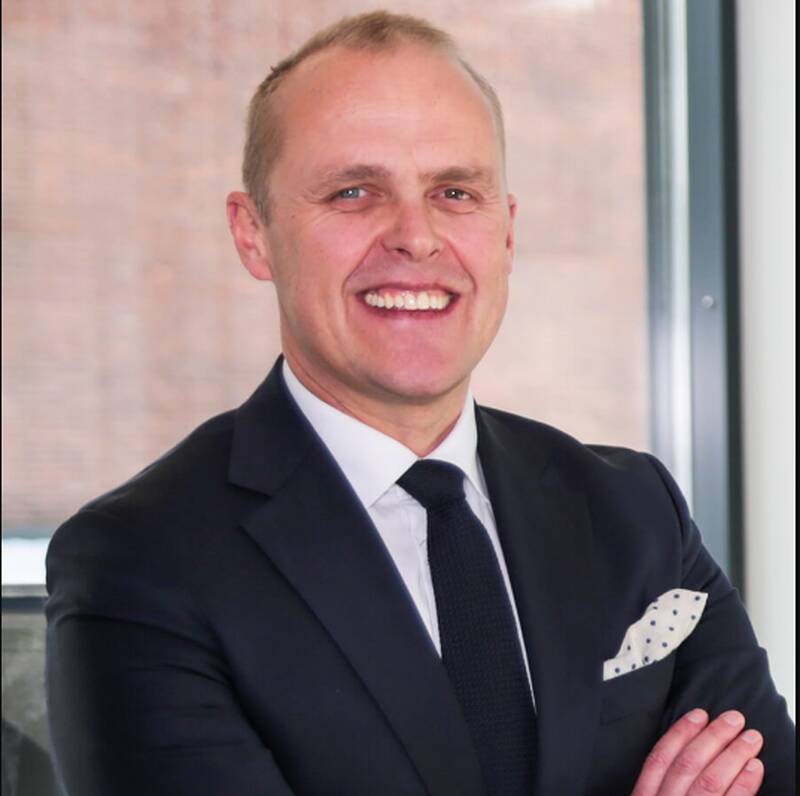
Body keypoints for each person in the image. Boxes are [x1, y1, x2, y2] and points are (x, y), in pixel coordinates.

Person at [45, 11, 795, 796]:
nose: (417, 236)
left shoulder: (635, 512)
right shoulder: (141, 564)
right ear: (254, 233)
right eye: (354, 192)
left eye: (455, 192)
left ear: (506, 232)